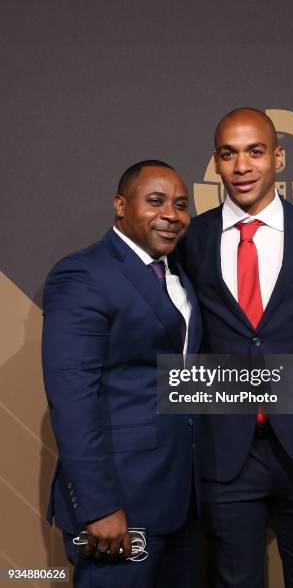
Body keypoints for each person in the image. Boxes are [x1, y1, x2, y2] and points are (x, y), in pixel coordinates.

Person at [177, 108, 293, 588]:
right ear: (216, 164)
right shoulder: (191, 240)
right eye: (229, 154)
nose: (242, 165)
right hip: (226, 457)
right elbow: (186, 344)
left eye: (255, 151)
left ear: (278, 158)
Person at [42, 160, 202, 588]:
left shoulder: (180, 276)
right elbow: (73, 398)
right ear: (120, 205)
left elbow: (179, 377)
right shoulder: (84, 274)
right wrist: (98, 507)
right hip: (120, 507)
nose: (171, 213)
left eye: (181, 204)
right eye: (155, 201)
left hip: (184, 502)